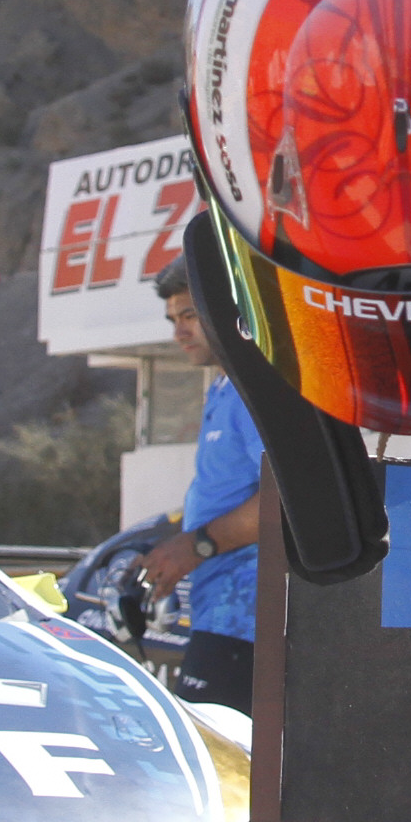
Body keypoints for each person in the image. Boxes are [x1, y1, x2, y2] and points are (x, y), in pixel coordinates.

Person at [138, 255, 264, 715]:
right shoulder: (223, 386)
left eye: (190, 315)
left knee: (216, 755)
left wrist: (198, 546)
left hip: (249, 621)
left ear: (229, 308)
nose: (179, 332)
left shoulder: (256, 385)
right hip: (217, 614)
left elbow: (290, 497)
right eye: (173, 319)